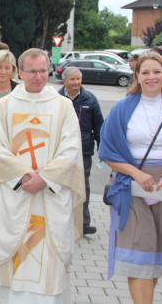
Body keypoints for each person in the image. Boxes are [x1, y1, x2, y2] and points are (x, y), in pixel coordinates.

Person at [0, 48, 85, 304]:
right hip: (13, 193)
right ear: (20, 73)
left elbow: (71, 149)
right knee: (9, 267)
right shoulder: (4, 106)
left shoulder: (63, 106)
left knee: (46, 264)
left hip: (49, 196)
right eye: (32, 71)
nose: (38, 77)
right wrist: (23, 176)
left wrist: (45, 179)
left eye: (42, 71)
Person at [98, 52, 162, 304]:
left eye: (157, 71)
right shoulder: (123, 108)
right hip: (131, 187)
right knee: (139, 255)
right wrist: (135, 173)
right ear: (137, 76)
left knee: (154, 257)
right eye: (145, 72)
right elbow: (107, 151)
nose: (151, 77)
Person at [58, 66, 104, 235]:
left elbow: (99, 125)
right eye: (72, 79)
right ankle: (61, 221)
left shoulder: (90, 99)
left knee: (82, 186)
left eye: (78, 79)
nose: (76, 83)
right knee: (60, 186)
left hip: (83, 150)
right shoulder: (55, 98)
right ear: (64, 81)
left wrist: (102, 147)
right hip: (60, 151)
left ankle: (83, 223)